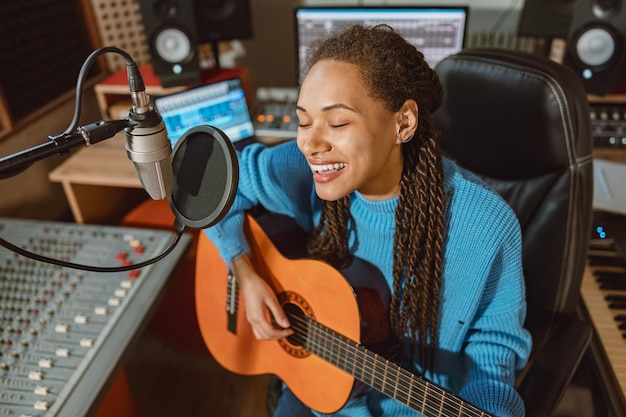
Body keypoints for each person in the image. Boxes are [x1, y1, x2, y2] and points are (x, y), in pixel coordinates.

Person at [204, 24, 532, 417]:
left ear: (403, 123)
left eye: (337, 123)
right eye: (304, 120)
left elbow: (494, 354)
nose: (309, 143)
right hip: (314, 389)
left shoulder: (484, 223)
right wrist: (244, 269)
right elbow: (212, 189)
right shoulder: (305, 170)